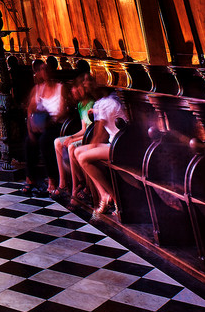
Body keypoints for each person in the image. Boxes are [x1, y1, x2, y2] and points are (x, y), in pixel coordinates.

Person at [72, 90, 127, 216]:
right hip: (113, 143)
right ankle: (104, 194)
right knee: (77, 151)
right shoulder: (101, 103)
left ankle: (114, 197)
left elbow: (99, 134)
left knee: (83, 157)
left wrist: (92, 147)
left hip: (119, 146)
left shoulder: (106, 103)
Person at [21, 59, 68, 193]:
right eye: (42, 70)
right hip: (40, 124)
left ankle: (52, 179)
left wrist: (49, 121)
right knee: (29, 141)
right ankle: (30, 178)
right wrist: (31, 128)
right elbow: (30, 109)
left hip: (55, 124)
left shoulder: (60, 88)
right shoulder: (38, 89)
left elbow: (63, 110)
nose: (44, 73)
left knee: (44, 141)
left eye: (47, 70)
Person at [52, 67, 96, 199]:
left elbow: (91, 130)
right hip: (86, 134)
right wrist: (71, 136)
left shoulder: (91, 103)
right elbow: (83, 128)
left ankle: (76, 188)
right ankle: (63, 183)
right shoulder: (81, 105)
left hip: (91, 138)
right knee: (58, 142)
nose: (72, 91)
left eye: (75, 88)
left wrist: (73, 140)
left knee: (71, 146)